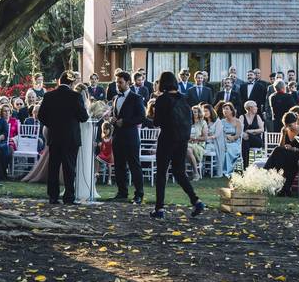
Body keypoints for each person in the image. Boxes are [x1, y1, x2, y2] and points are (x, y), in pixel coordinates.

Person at [150, 71, 204, 219]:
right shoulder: (184, 98)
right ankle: (195, 200)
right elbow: (191, 120)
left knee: (161, 173)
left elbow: (157, 122)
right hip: (182, 140)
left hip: (167, 138)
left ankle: (159, 208)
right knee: (179, 172)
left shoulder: (162, 99)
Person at [36, 71, 88, 205]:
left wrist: (52, 125)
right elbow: (84, 117)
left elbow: (41, 116)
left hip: (55, 136)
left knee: (53, 167)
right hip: (71, 138)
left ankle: (53, 197)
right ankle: (69, 197)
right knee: (69, 168)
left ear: (59, 81)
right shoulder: (75, 96)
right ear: (71, 83)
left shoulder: (49, 96)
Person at [105, 71, 146, 203]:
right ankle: (122, 192)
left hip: (131, 137)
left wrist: (125, 122)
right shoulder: (115, 98)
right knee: (119, 166)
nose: (118, 85)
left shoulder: (136, 98)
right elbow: (115, 114)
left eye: (120, 82)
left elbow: (141, 117)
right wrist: (112, 119)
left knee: (134, 166)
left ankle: (139, 194)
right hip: (117, 136)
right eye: (117, 82)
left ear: (128, 83)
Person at [264, 112, 299, 197]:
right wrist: (283, 134)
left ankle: (266, 171)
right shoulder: (285, 130)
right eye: (286, 126)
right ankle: (282, 188)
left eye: (290, 126)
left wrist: (293, 149)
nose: (288, 128)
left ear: (295, 122)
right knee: (278, 150)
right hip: (286, 155)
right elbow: (281, 146)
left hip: (298, 155)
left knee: (281, 156)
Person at [74, 83, 98, 202]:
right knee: (83, 160)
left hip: (82, 135)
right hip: (84, 135)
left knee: (80, 160)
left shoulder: (78, 105)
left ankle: (80, 187)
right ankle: (83, 186)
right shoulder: (85, 107)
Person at [219, 102, 243, 177]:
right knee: (223, 148)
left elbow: (238, 135)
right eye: (223, 109)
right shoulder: (222, 121)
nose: (224, 111)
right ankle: (222, 170)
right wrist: (226, 137)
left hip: (235, 142)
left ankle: (227, 171)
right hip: (224, 141)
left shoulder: (237, 121)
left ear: (231, 111)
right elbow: (220, 133)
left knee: (228, 149)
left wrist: (232, 138)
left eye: (227, 109)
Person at [0, 104, 14, 186]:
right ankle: (2, 174)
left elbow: (5, 133)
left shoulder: (2, 121)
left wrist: (0, 136)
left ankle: (3, 172)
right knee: (0, 149)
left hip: (0, 142)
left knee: (3, 148)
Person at [239, 100, 264, 171]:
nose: (257, 108)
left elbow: (262, 129)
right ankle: (246, 167)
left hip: (257, 140)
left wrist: (250, 131)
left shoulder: (258, 117)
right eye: (255, 106)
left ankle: (245, 167)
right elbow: (240, 129)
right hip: (246, 140)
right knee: (245, 142)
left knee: (246, 139)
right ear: (250, 108)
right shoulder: (242, 117)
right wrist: (244, 134)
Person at [187, 106, 208, 180]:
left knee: (188, 150)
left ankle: (196, 173)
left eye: (195, 112)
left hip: (198, 145)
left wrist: (195, 138)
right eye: (192, 112)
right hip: (187, 143)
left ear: (199, 113)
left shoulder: (203, 122)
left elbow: (205, 138)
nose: (193, 113)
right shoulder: (187, 122)